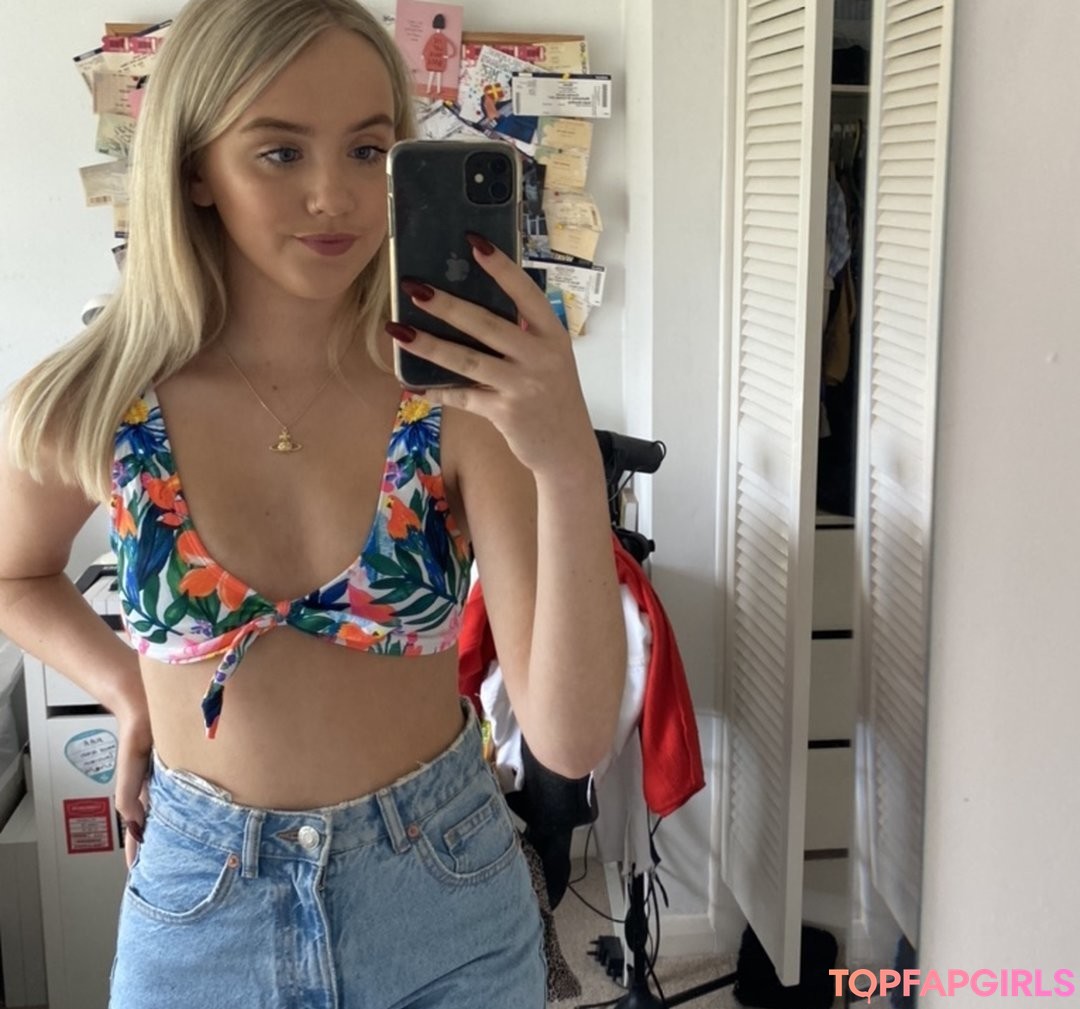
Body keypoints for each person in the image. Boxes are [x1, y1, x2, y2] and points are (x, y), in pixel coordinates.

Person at [0, 0, 626, 1005]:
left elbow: (569, 738)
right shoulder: (102, 402)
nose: (335, 195)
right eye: (280, 152)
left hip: (446, 901)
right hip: (201, 911)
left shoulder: (455, 401)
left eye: (368, 149)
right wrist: (125, 687)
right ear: (194, 168)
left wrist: (566, 463)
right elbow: (13, 573)